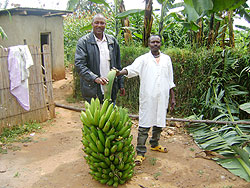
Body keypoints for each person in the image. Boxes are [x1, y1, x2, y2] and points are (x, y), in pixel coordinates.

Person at [116, 35, 176, 165]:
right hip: (148, 98)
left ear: (160, 43)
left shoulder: (167, 59)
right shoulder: (143, 59)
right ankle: (140, 152)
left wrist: (172, 97)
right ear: (148, 44)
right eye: (152, 42)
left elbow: (170, 80)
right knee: (144, 124)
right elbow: (131, 69)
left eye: (157, 42)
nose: (155, 44)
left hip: (162, 97)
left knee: (159, 122)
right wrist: (120, 73)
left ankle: (154, 144)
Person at [75, 13, 125, 104]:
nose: (99, 25)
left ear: (105, 25)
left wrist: (121, 84)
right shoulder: (84, 42)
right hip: (92, 89)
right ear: (92, 24)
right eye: (96, 23)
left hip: (110, 88)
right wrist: (95, 78)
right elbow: (80, 65)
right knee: (96, 117)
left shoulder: (112, 41)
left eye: (102, 23)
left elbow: (118, 65)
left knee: (110, 116)